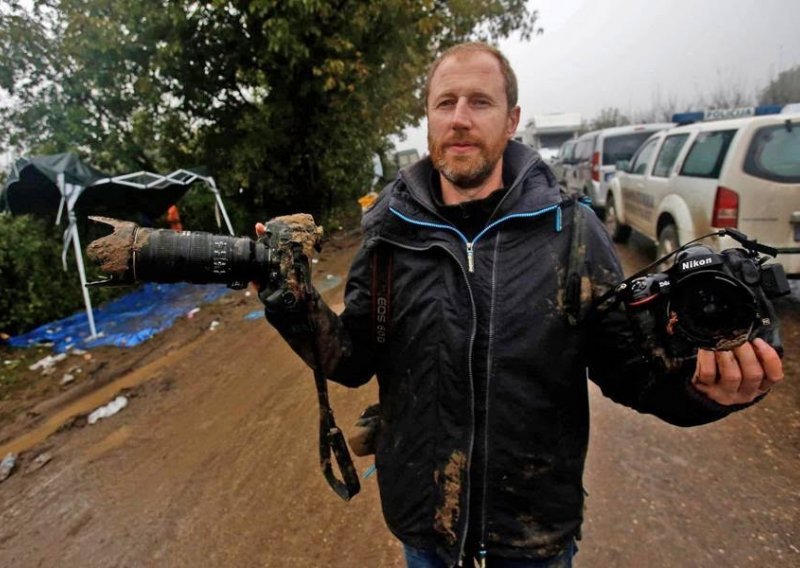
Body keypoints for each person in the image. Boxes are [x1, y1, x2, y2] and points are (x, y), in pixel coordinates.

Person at [256, 42, 784, 568]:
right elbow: (352, 359)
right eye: (445, 103)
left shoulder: (571, 231)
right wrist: (289, 301)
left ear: (511, 120)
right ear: (428, 120)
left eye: (480, 102)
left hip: (532, 540)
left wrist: (704, 394)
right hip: (424, 532)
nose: (460, 119)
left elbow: (629, 374)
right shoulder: (389, 233)